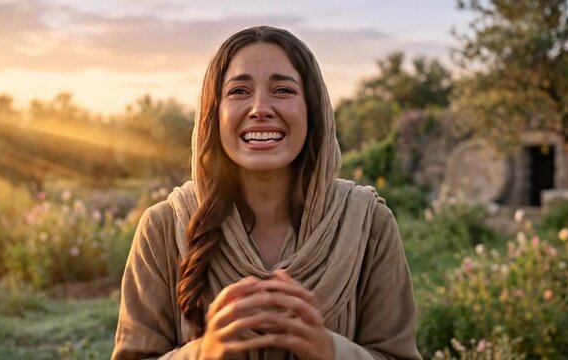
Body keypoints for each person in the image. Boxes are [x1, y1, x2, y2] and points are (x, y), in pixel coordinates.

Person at [112, 25, 421, 360]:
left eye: (283, 90)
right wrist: (204, 353)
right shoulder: (162, 228)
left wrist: (330, 350)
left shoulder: (366, 223)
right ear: (212, 115)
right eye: (239, 91)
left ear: (312, 110)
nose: (260, 108)